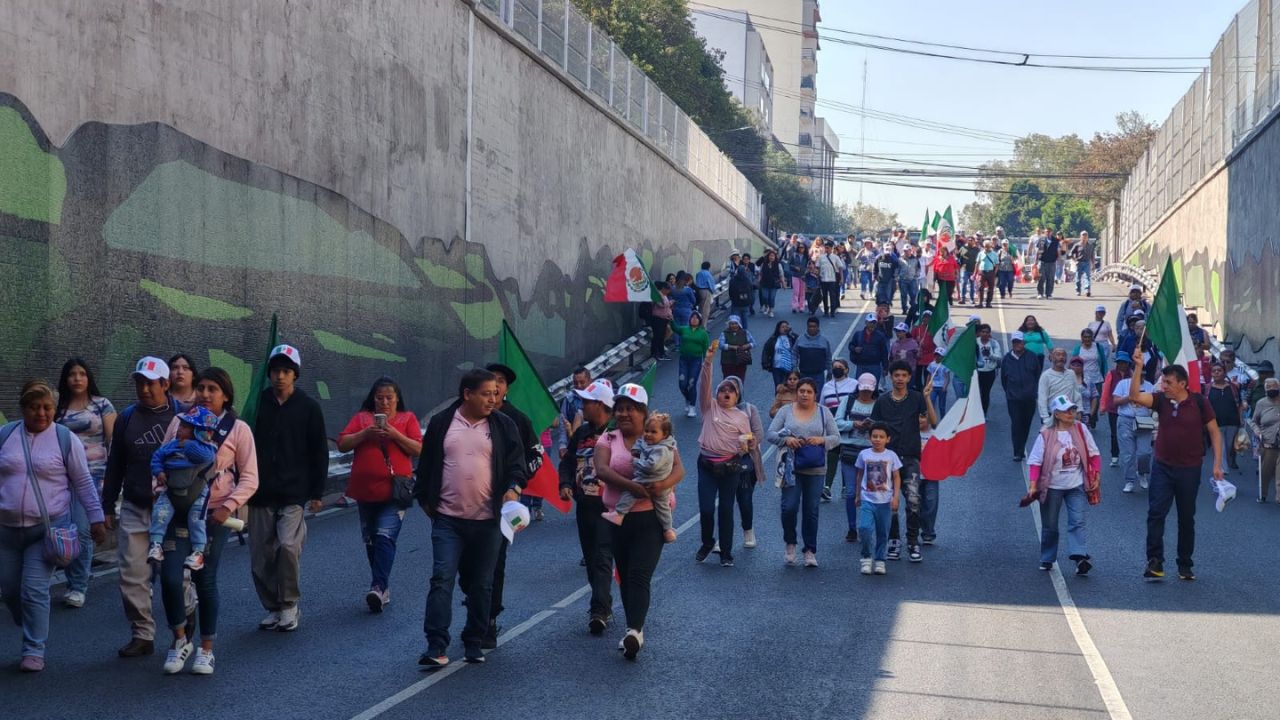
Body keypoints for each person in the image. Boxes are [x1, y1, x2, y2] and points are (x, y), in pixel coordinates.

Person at [417, 369, 526, 667]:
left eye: (496, 393)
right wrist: (429, 504)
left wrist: (513, 489)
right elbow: (425, 468)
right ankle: (436, 645)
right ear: (467, 394)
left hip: (488, 521)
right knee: (442, 579)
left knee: (481, 583)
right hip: (448, 521)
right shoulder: (442, 424)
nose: (493, 399)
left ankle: (474, 639)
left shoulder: (503, 426)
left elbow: (518, 465)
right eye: (486, 393)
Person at [156, 367, 259, 676]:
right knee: (170, 577)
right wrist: (159, 487)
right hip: (177, 509)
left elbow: (251, 477)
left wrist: (227, 508)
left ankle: (206, 650)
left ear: (225, 395)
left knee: (205, 579)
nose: (204, 393)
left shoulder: (238, 429)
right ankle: (179, 640)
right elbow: (162, 457)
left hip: (212, 515)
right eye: (200, 387)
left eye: (212, 388)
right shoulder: (179, 421)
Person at [0, 380, 107, 672]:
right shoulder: (5, 435)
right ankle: (30, 618)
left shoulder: (64, 438)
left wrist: (96, 518)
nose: (42, 414)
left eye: (47, 407)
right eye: (35, 408)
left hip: (46, 529)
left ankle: (34, 648)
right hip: (6, 530)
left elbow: (83, 482)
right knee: (9, 589)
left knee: (33, 589)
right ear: (23, 409)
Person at [102, 356, 184, 659]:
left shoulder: (184, 415)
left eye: (150, 383)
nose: (144, 389)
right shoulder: (126, 418)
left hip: (174, 507)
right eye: (139, 382)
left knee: (178, 574)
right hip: (136, 506)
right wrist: (107, 505)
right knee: (132, 573)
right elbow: (115, 465)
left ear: (166, 384)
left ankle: (184, 627)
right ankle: (142, 634)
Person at [595, 383, 684, 660]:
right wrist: (631, 487)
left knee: (639, 575)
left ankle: (635, 630)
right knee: (624, 573)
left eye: (630, 409)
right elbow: (602, 470)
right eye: (619, 409)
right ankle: (633, 628)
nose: (623, 414)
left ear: (643, 413)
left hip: (650, 517)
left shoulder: (661, 439)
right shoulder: (608, 439)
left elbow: (679, 468)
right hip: (618, 518)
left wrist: (661, 486)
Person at [249, 344, 328, 633]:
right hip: (261, 491)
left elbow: (319, 451)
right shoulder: (258, 405)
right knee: (261, 556)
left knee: (288, 547)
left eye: (286, 371)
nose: (280, 377)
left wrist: (318, 492)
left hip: (294, 492)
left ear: (294, 374)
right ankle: (273, 606)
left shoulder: (308, 407)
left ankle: (290, 603)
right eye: (275, 371)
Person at [1128, 354, 1225, 581]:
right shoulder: (1160, 400)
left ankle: (1184, 564)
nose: (1165, 386)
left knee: (1186, 517)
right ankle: (1155, 562)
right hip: (1162, 466)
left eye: (1169, 383)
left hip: (1189, 469)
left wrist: (1218, 464)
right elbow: (1133, 396)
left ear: (1183, 383)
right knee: (1155, 513)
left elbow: (1214, 432)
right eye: (1163, 382)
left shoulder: (1200, 402)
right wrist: (1138, 367)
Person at [337, 377, 423, 613]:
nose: (384, 402)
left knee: (385, 536)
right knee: (371, 540)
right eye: (379, 398)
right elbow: (342, 444)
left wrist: (395, 435)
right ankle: (382, 587)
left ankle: (378, 585)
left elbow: (418, 448)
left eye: (389, 398)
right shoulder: (362, 418)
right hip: (365, 492)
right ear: (372, 399)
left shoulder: (408, 418)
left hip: (394, 492)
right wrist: (365, 433)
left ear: (397, 399)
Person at [53, 358, 116, 609]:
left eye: (82, 373)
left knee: (82, 529)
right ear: (65, 379)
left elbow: (114, 441)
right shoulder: (58, 408)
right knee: (61, 530)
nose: (77, 378)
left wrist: (113, 482)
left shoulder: (102, 405)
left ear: (89, 378)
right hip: (60, 478)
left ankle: (77, 585)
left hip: (93, 476)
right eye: (72, 374)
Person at [558, 378, 617, 633]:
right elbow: (568, 462)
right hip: (585, 505)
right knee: (592, 558)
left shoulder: (617, 433)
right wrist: (565, 484)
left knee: (603, 556)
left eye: (587, 402)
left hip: (609, 506)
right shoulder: (582, 433)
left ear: (601, 405)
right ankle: (603, 601)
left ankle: (598, 611)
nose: (582, 406)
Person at [695, 344, 760, 567]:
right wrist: (708, 361)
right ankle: (707, 542)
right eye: (723, 389)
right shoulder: (708, 407)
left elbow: (748, 444)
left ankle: (726, 552)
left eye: (731, 391)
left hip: (730, 467)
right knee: (705, 508)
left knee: (725, 509)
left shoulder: (742, 417)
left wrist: (748, 445)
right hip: (706, 465)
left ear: (737, 396)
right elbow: (704, 385)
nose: (726, 393)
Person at [1022, 395, 1100, 575]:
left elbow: (1094, 453)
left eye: (1073, 410)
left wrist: (1096, 474)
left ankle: (1079, 556)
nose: (1071, 413)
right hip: (1052, 487)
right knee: (1050, 524)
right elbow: (1035, 462)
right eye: (1066, 411)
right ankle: (1047, 557)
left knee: (1077, 520)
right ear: (1056, 414)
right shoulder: (1046, 434)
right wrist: (1033, 485)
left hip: (1076, 485)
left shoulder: (1080, 429)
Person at [767, 378, 839, 567]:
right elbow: (770, 434)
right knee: (789, 507)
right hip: (790, 468)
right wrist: (786, 439)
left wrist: (821, 440)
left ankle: (809, 550)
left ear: (815, 394)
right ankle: (790, 542)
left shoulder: (824, 412)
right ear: (797, 392)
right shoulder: (785, 411)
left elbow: (836, 437)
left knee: (811, 509)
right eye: (801, 391)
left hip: (815, 468)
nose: (804, 394)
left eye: (808, 391)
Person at [872, 361, 937, 563]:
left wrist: (927, 398)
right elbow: (874, 429)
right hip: (885, 460)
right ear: (891, 377)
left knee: (913, 501)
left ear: (909, 378)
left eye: (904, 375)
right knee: (887, 503)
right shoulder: (882, 401)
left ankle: (912, 542)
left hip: (910, 459)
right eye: (896, 375)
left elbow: (933, 422)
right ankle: (893, 540)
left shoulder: (917, 398)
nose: (900, 379)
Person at [146, 406, 219, 571]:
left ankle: (198, 552)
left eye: (186, 427)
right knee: (160, 514)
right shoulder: (172, 445)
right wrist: (159, 472)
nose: (179, 430)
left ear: (198, 431)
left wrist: (188, 444)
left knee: (196, 521)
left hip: (197, 492)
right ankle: (156, 544)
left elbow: (203, 457)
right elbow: (157, 456)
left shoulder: (207, 448)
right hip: (171, 487)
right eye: (181, 425)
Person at [603, 413, 677, 544]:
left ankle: (619, 514)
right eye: (647, 431)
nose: (648, 434)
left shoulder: (662, 450)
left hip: (650, 479)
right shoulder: (648, 442)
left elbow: (652, 466)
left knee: (630, 492)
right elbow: (640, 444)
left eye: (653, 432)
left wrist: (636, 462)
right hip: (657, 482)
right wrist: (636, 450)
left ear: (664, 434)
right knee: (662, 506)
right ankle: (668, 530)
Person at [853, 423, 902, 576]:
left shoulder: (891, 455)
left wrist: (896, 497)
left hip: (885, 501)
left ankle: (880, 560)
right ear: (869, 437)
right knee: (865, 528)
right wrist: (857, 495)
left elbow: (896, 477)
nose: (877, 440)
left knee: (883, 532)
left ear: (888, 439)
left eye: (881, 437)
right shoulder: (864, 454)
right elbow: (860, 474)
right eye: (874, 436)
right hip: (868, 498)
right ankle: (866, 558)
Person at [837, 374, 878, 543]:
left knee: (873, 492)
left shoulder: (879, 404)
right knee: (852, 492)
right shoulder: (848, 401)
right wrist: (853, 424)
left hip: (872, 452)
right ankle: (852, 527)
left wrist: (872, 426)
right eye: (863, 390)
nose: (866, 393)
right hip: (850, 451)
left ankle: (868, 527)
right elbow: (836, 422)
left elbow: (884, 426)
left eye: (869, 390)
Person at [1112, 353, 1155, 493]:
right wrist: (1129, 397)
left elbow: (1154, 405)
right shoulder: (1123, 384)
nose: (1140, 376)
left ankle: (1142, 473)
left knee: (1144, 452)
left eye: (1142, 373)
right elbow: (1115, 401)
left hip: (1144, 421)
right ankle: (1129, 480)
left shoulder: (1150, 387)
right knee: (1128, 453)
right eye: (1138, 373)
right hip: (1126, 420)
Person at [1002, 332, 1044, 461]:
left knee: (1026, 424)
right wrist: (1010, 392)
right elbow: (1004, 379)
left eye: (1019, 342)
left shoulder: (1032, 356)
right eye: (1015, 342)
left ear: (1023, 343)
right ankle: (1017, 451)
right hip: (1013, 399)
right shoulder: (1007, 358)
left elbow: (1037, 374)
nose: (1017, 344)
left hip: (1029, 398)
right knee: (1016, 423)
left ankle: (1022, 447)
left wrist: (1032, 390)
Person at [1205, 363, 1244, 473]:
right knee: (1219, 447)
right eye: (1214, 371)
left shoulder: (1233, 387)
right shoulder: (1207, 388)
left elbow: (1239, 404)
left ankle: (1227, 463)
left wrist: (1241, 419)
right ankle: (1222, 471)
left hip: (1232, 423)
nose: (1216, 372)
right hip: (1215, 424)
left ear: (1224, 372)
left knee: (1229, 447)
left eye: (1219, 370)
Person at [673, 311, 711, 418]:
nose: (694, 319)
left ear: (700, 320)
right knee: (682, 383)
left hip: (696, 361)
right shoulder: (684, 329)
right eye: (692, 317)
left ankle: (692, 407)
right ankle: (688, 399)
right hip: (684, 360)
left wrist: (706, 361)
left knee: (691, 383)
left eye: (696, 318)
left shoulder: (703, 333)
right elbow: (675, 328)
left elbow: (706, 348)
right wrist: (670, 318)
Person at [1250, 377, 1280, 501]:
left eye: (1274, 386)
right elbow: (1253, 422)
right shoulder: (1261, 403)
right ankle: (1263, 495)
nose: (1271, 389)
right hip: (1268, 443)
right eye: (1268, 387)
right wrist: (1257, 431)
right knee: (1265, 473)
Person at [1038, 348, 1082, 427]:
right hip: (1053, 417)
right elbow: (1042, 399)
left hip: (1070, 415)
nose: (1061, 357)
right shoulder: (1046, 376)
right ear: (1051, 358)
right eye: (1058, 355)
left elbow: (1077, 394)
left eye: (1063, 355)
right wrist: (1046, 419)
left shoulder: (1071, 374)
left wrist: (1079, 411)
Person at [555, 367, 591, 458]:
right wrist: (562, 445)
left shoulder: (597, 397)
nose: (579, 386)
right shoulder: (569, 399)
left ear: (590, 381)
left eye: (582, 382)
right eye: (575, 383)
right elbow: (563, 423)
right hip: (574, 447)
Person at [849, 313, 890, 383]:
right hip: (861, 365)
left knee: (874, 387)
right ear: (866, 322)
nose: (872, 324)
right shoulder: (858, 334)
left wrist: (885, 368)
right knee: (859, 386)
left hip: (875, 366)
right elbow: (850, 345)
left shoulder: (880, 336)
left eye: (874, 322)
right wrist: (855, 349)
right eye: (870, 322)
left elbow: (884, 353)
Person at [761, 320, 798, 390]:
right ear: (778, 328)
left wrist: (791, 332)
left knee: (790, 386)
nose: (784, 328)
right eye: (782, 327)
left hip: (790, 367)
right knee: (778, 387)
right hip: (777, 367)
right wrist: (765, 363)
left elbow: (798, 340)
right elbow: (766, 350)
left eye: (786, 327)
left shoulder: (792, 338)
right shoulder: (773, 339)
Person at [795, 316, 832, 383]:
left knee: (818, 393)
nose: (812, 328)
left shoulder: (824, 341)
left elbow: (828, 356)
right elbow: (794, 354)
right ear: (807, 327)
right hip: (804, 374)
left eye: (814, 326)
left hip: (819, 375)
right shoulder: (800, 339)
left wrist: (830, 371)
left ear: (818, 327)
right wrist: (794, 368)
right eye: (810, 326)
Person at [975, 324, 1002, 414]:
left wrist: (989, 355)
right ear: (979, 333)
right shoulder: (975, 342)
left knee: (985, 393)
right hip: (977, 371)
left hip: (989, 372)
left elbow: (999, 357)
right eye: (983, 332)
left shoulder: (994, 343)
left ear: (989, 333)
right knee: (976, 393)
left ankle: (983, 413)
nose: (985, 334)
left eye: (987, 332)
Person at [718, 315, 755, 381]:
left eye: (736, 323)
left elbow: (753, 343)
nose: (734, 325)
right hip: (727, 361)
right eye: (732, 324)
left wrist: (747, 345)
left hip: (741, 360)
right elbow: (721, 345)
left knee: (740, 380)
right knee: (727, 380)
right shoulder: (724, 333)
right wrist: (732, 347)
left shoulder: (745, 332)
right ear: (729, 324)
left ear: (739, 324)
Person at [645, 281, 673, 361]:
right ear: (663, 289)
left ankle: (661, 352)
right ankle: (655, 352)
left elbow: (667, 307)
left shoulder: (665, 296)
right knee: (657, 336)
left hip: (664, 318)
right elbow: (661, 304)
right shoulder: (658, 295)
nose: (668, 291)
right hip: (658, 318)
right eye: (667, 289)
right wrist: (670, 303)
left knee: (661, 336)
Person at [911, 310, 937, 392]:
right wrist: (917, 342)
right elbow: (911, 341)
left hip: (929, 357)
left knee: (927, 376)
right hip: (918, 357)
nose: (926, 319)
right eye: (925, 317)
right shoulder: (916, 329)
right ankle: (919, 390)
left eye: (928, 317)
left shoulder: (934, 329)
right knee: (917, 376)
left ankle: (926, 391)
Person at [817, 243, 845, 317]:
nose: (827, 249)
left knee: (832, 296)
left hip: (832, 280)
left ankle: (832, 311)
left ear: (831, 248)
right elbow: (818, 268)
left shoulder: (835, 257)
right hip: (823, 279)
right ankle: (826, 311)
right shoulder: (821, 257)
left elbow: (840, 268)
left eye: (828, 248)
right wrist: (818, 277)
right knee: (824, 296)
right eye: (825, 248)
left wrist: (842, 279)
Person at [757, 249, 784, 317]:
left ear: (775, 257)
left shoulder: (778, 265)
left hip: (774, 283)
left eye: (773, 256)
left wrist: (783, 283)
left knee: (772, 297)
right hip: (764, 283)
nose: (771, 257)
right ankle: (766, 306)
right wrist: (759, 281)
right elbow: (760, 273)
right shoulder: (763, 264)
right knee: (765, 297)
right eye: (770, 256)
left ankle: (771, 310)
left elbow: (781, 274)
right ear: (768, 257)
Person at [873, 242, 900, 307]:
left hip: (889, 280)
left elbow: (896, 269)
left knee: (888, 296)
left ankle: (887, 307)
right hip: (880, 280)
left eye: (889, 249)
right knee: (878, 294)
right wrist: (875, 277)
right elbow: (875, 268)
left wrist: (894, 278)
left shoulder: (894, 258)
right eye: (886, 249)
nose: (887, 251)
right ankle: (879, 308)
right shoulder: (878, 258)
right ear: (883, 249)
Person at [897, 246, 921, 317]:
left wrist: (916, 275)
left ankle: (913, 308)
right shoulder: (900, 259)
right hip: (903, 280)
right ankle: (904, 309)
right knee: (903, 295)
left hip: (912, 280)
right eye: (905, 251)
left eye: (907, 251)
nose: (906, 252)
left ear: (911, 251)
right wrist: (897, 277)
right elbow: (897, 269)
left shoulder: (915, 259)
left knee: (913, 295)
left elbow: (918, 268)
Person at [1036, 229, 1060, 299]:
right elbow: (1037, 250)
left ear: (1052, 232)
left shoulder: (1056, 240)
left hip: (1052, 262)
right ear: (1044, 232)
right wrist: (1036, 261)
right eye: (1047, 231)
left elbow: (1058, 251)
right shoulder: (1041, 239)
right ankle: (1040, 293)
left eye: (1049, 231)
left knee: (1050, 278)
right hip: (1042, 261)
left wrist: (1058, 260)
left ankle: (1049, 294)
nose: (1048, 233)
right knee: (1041, 277)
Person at [927, 348, 951, 415]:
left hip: (941, 387)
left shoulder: (945, 365)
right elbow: (929, 375)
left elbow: (947, 377)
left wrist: (945, 386)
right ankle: (932, 419)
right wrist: (927, 385)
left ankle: (942, 419)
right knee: (931, 402)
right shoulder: (931, 364)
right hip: (933, 387)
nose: (937, 357)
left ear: (943, 357)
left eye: (939, 355)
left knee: (942, 406)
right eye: (936, 355)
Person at [977, 239, 999, 308]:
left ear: (990, 246)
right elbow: (977, 262)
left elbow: (997, 264)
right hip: (982, 272)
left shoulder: (994, 254)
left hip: (990, 272)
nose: (987, 248)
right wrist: (977, 271)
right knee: (980, 287)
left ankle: (988, 302)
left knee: (991, 288)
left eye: (988, 246)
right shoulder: (980, 253)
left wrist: (994, 273)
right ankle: (980, 302)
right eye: (985, 246)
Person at [1073, 232, 1097, 297]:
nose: (1084, 238)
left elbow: (1092, 255)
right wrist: (1075, 261)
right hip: (1079, 262)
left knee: (1087, 277)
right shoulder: (1077, 245)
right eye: (1083, 236)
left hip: (1087, 263)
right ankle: (1078, 290)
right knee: (1078, 278)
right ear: (1080, 237)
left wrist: (1093, 264)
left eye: (1086, 237)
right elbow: (1071, 254)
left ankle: (1087, 290)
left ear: (1087, 237)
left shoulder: (1090, 246)